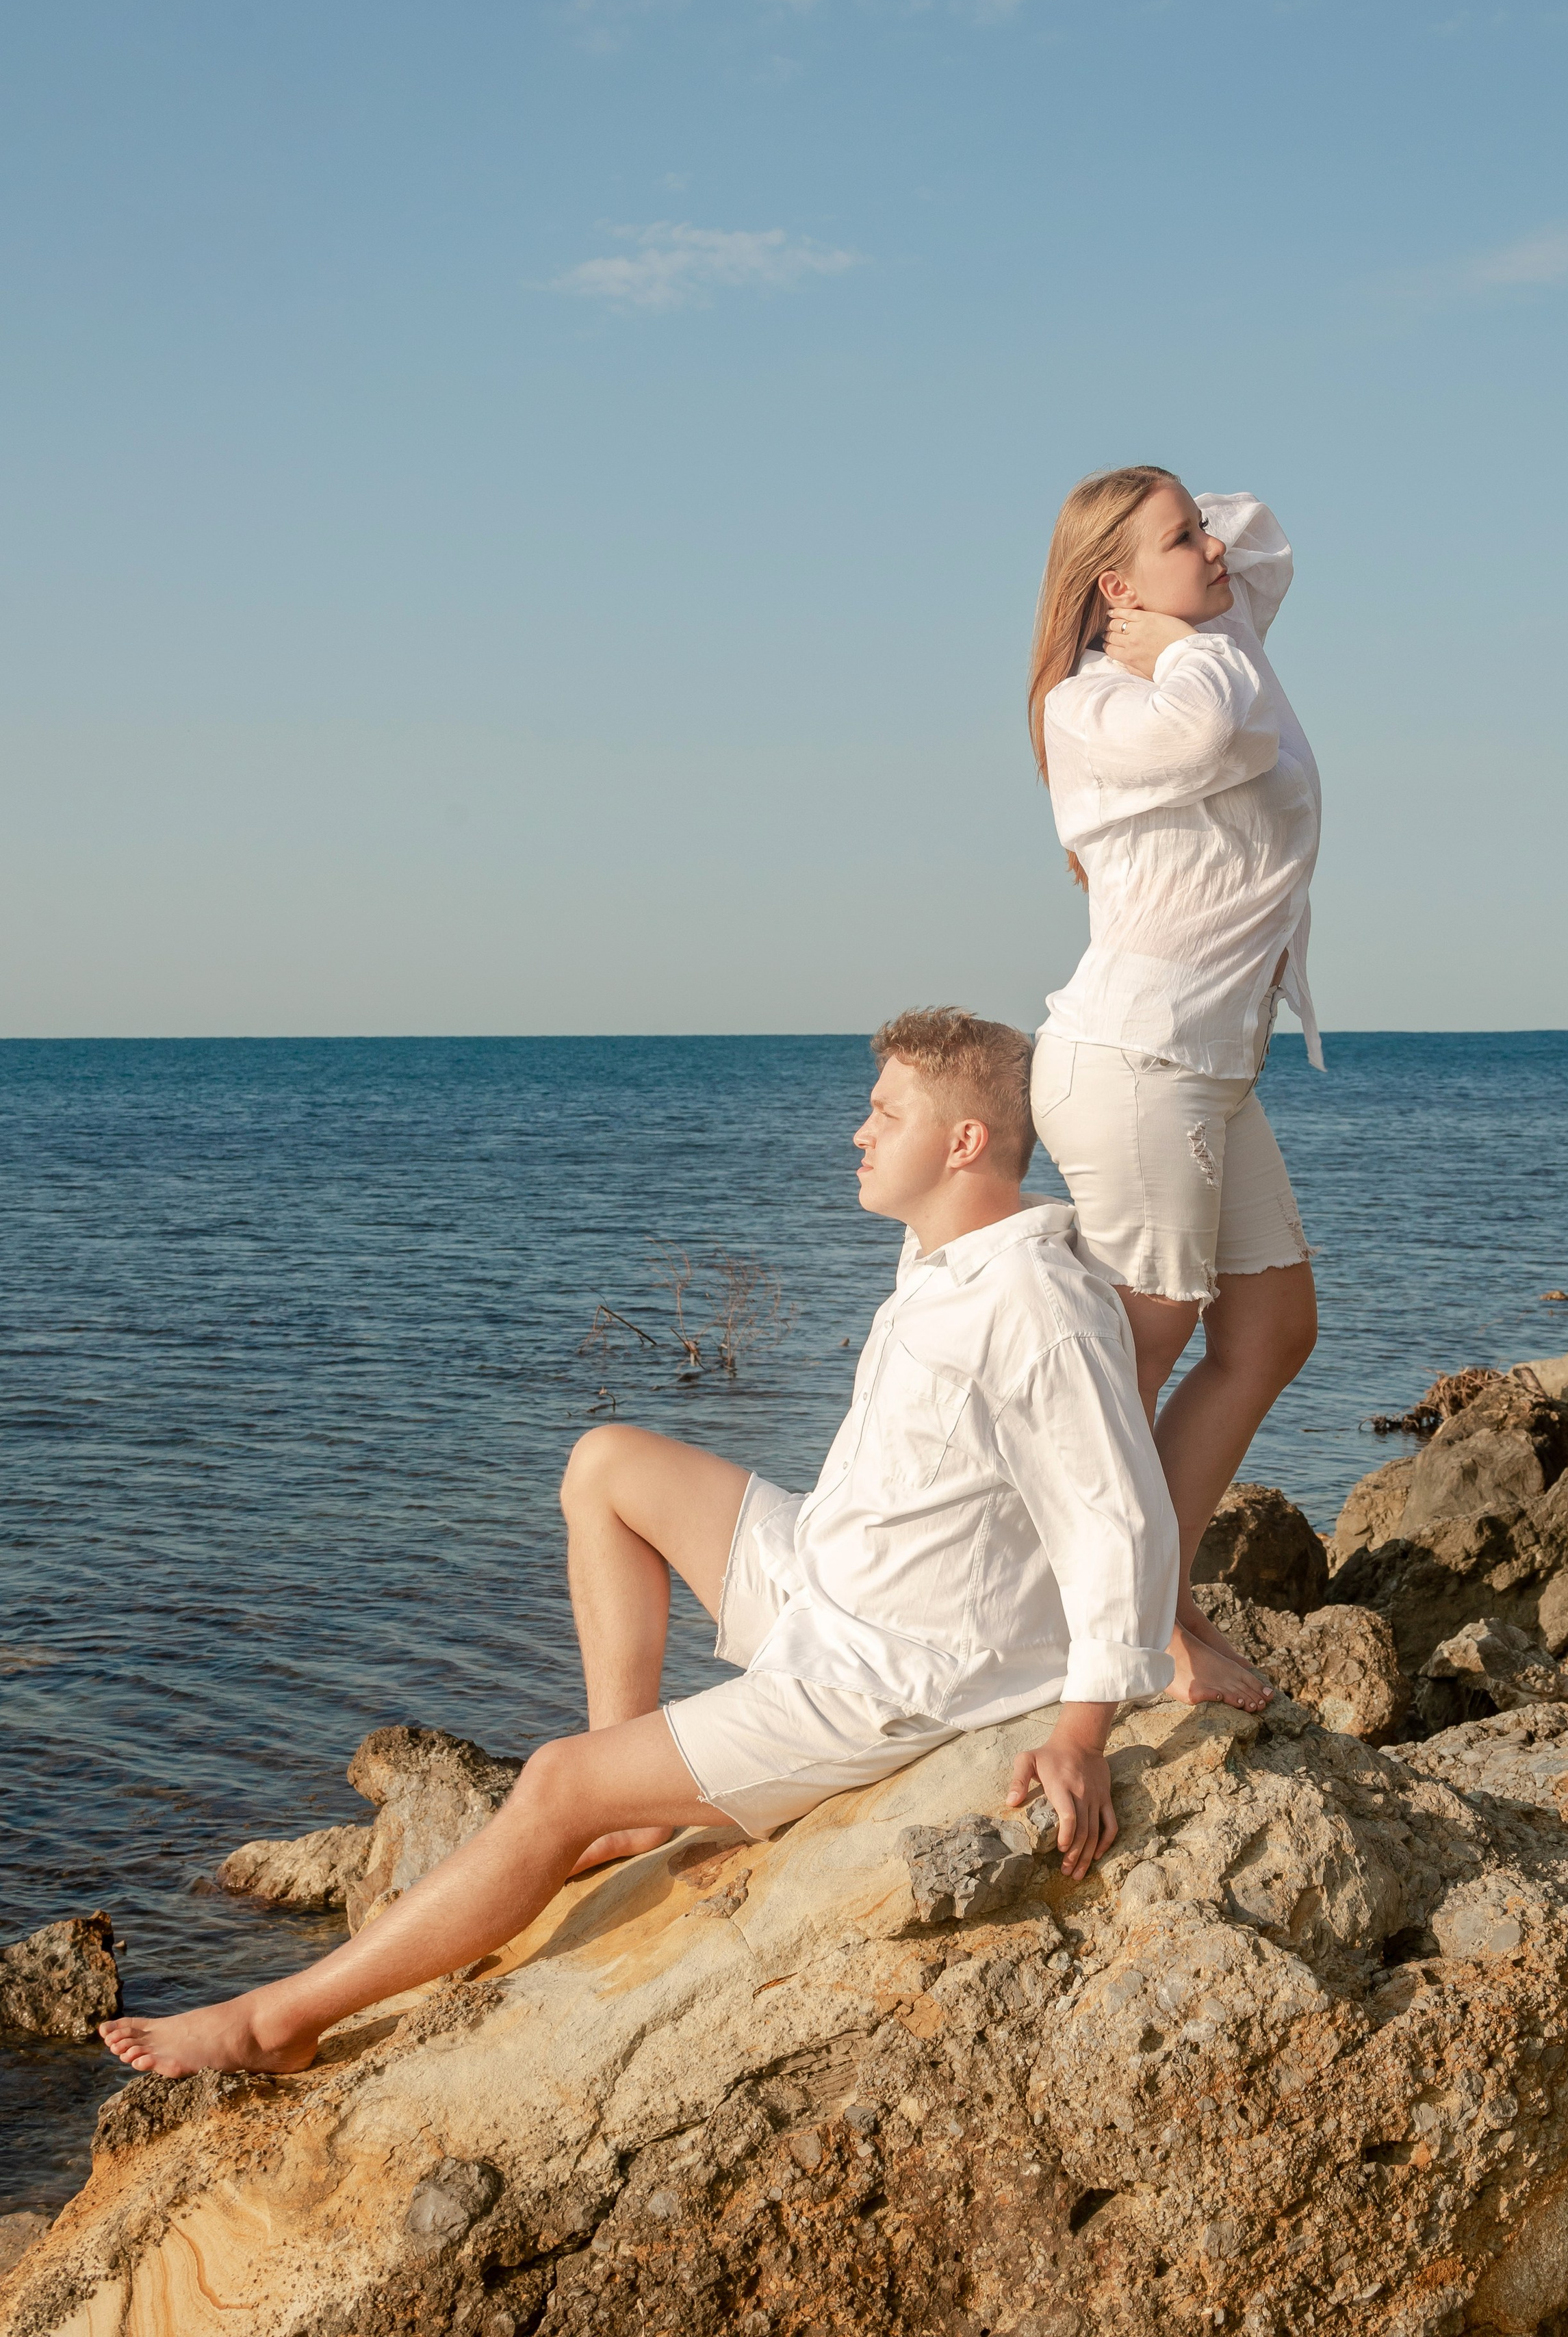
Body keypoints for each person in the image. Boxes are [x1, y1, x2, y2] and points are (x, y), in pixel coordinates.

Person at [99, 1007, 1179, 2080]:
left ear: (962, 1144)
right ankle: (632, 1797)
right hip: (825, 1575)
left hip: (887, 1673)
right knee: (606, 1465)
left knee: (556, 1783)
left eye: (884, 1113)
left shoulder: (1035, 1303)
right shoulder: (952, 1250)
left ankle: (276, 2020)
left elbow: (1118, 1517)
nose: (858, 1132)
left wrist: (1082, 1734)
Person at [1026, 469, 1322, 1716]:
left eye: (1198, 530)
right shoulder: (1093, 702)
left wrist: (1180, 587)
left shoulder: (1207, 644)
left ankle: (1155, 1599)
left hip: (1205, 1067)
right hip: (1138, 1063)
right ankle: (1105, 1630)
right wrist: (1171, 637)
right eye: (1178, 539)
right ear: (1113, 588)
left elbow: (1264, 543)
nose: (1212, 548)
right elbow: (1212, 732)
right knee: (1132, 1356)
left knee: (1271, 1330)